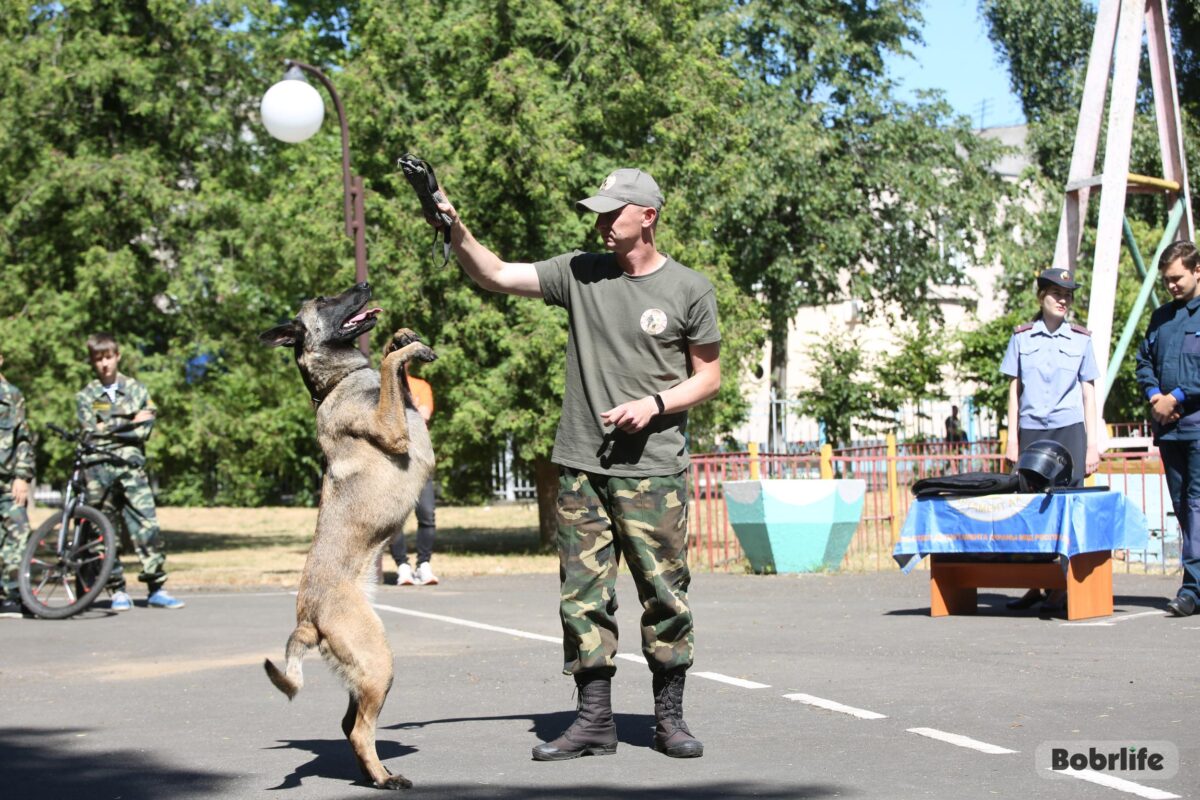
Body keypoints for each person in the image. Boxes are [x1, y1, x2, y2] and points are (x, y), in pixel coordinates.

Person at [427, 168, 720, 760]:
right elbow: (497, 274)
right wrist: (455, 228)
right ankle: (594, 722)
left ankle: (670, 721)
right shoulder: (580, 271)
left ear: (648, 216)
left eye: (615, 212)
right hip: (582, 465)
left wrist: (655, 405)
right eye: (600, 211)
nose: (603, 221)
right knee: (583, 595)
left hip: (653, 471)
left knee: (665, 594)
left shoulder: (690, 288)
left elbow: (708, 377)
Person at [1000, 268, 1101, 610]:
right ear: (1041, 296)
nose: (1063, 299)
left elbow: (1089, 393)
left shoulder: (1081, 339)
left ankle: (1062, 584)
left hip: (1069, 430)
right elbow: (1014, 390)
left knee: (1067, 508)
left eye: (1068, 294)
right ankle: (1034, 582)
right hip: (1032, 430)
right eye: (1056, 293)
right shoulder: (1022, 338)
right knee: (1030, 509)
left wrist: (1092, 444)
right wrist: (1012, 438)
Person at [76, 332, 183, 610]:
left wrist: (109, 425)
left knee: (147, 526)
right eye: (98, 359)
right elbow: (90, 432)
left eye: (108, 357)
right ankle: (116, 590)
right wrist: (129, 421)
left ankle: (156, 587)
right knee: (103, 530)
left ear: (117, 356)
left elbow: (145, 428)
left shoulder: (137, 389)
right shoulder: (86, 395)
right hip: (97, 469)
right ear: (92, 361)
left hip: (131, 468)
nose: (104, 364)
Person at [1135, 240, 1200, 618]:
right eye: (1166, 280)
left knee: (1196, 507)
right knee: (1183, 508)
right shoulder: (1161, 318)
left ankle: (1191, 589)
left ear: (1197, 271)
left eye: (1177, 278)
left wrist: (1174, 397)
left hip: (1195, 427)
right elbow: (1144, 361)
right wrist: (1155, 394)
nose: (1172, 285)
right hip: (1169, 430)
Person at [389, 361, 438, 586]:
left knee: (426, 513)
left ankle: (424, 565)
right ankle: (402, 566)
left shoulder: (421, 387)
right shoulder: (385, 390)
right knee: (395, 518)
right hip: (394, 462)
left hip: (419, 459)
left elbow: (422, 416)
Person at [0, 353, 34, 619]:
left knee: (19, 532)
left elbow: (23, 438)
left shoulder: (13, 396)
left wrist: (22, 476)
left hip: (7, 483)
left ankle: (12, 595)